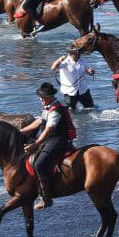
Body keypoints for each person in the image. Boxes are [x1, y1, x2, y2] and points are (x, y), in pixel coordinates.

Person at [20, 82, 76, 210]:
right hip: (50, 140)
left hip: (58, 140)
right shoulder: (48, 107)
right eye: (41, 97)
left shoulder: (55, 110)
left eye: (43, 97)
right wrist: (20, 132)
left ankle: (46, 197)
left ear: (50, 97)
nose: (41, 99)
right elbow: (39, 122)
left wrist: (36, 144)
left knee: (39, 164)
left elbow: (48, 130)